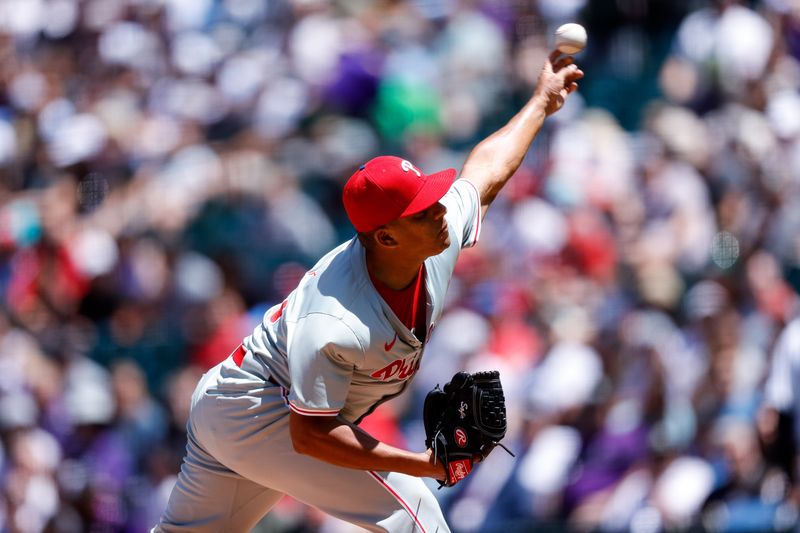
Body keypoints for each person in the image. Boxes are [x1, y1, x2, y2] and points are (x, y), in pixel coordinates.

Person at [153, 51, 583, 533]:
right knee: (416, 515)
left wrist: (541, 103)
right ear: (386, 236)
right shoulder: (337, 321)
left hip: (237, 407)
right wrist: (424, 464)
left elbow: (483, 174)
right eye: (422, 210)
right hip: (262, 413)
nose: (439, 211)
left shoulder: (430, 240)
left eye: (432, 199)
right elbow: (311, 436)